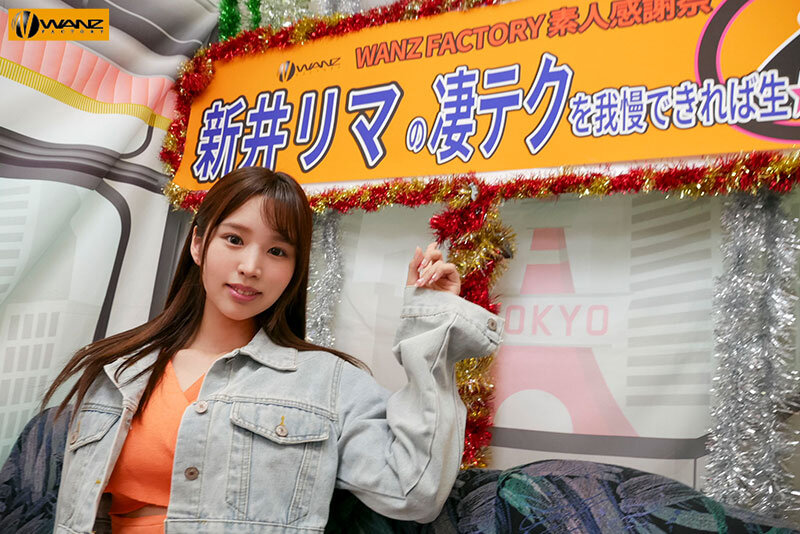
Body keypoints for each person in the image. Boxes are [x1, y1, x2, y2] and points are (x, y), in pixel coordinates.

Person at [42, 167, 503, 534]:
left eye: (278, 252)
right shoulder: (118, 370)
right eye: (234, 239)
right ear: (199, 243)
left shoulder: (327, 381)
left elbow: (414, 491)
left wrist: (429, 325)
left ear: (295, 270)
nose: (251, 267)